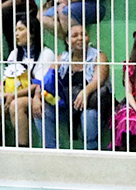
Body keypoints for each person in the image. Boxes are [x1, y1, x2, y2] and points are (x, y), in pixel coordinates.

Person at [0, 15, 54, 148]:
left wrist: (13, 95)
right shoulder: (15, 53)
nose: (16, 33)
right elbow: (6, 80)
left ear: (32, 33)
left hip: (38, 96)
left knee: (16, 104)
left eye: (21, 29)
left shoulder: (46, 53)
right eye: (16, 30)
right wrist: (1, 93)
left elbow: (38, 85)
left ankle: (23, 148)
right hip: (13, 94)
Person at [41, 19, 109, 151]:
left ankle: (92, 149)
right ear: (67, 41)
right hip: (67, 105)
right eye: (75, 35)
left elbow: (98, 80)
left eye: (83, 34)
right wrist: (38, 96)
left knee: (89, 115)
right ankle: (51, 149)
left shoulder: (99, 56)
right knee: (41, 109)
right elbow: (47, 80)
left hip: (92, 104)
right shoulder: (62, 59)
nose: (80, 38)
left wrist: (85, 92)